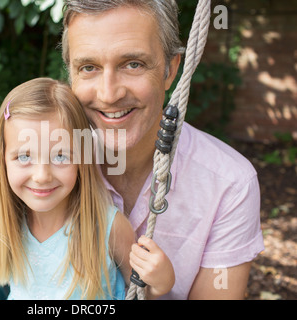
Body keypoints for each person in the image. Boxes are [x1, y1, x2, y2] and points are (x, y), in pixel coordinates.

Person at [60, 0, 264, 299]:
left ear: (170, 71)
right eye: (88, 68)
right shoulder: (42, 169)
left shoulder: (230, 184)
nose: (109, 93)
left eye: (133, 64)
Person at [0, 77, 149, 299]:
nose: (42, 176)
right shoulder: (9, 229)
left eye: (60, 156)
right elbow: (4, 260)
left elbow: (141, 291)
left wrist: (161, 281)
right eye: (24, 156)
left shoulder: (108, 228)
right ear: (3, 161)